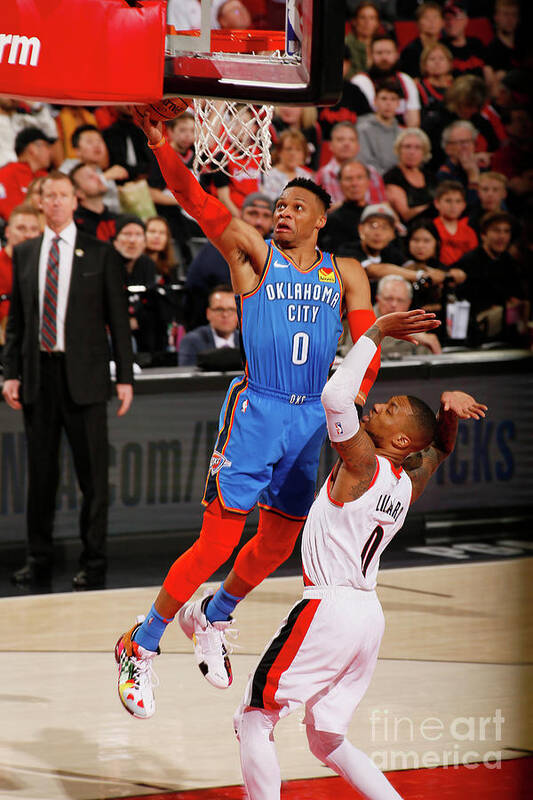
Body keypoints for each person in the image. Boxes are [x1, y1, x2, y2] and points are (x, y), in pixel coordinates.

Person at [115, 107, 382, 718]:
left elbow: (365, 350)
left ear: (321, 218)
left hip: (312, 416)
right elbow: (190, 196)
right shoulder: (252, 254)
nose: (281, 212)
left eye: (294, 207)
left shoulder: (347, 273)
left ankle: (213, 614)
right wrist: (158, 141)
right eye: (279, 206)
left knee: (279, 542)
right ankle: (141, 641)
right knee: (218, 540)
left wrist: (351, 413)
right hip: (257, 406)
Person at [234, 309, 486, 800]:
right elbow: (438, 451)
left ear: (398, 441)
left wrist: (375, 332)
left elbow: (334, 395)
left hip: (328, 607)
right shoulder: (406, 482)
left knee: (254, 715)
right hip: (368, 616)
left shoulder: (366, 463)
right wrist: (449, 415)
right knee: (327, 738)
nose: (375, 409)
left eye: (388, 409)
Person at [2, 171, 133, 589]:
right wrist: (10, 374)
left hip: (87, 378)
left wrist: (125, 377)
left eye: (62, 195)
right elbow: (17, 324)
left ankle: (94, 561)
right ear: (39, 202)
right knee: (40, 475)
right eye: (48, 195)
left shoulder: (101, 253)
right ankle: (37, 558)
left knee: (92, 477)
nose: (55, 202)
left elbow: (118, 323)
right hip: (39, 375)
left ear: (75, 201)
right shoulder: (24, 253)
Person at [185, 192, 274, 330]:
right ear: (240, 215)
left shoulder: (279, 251)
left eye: (266, 216)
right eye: (253, 214)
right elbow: (194, 290)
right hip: (215, 328)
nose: (259, 222)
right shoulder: (219, 246)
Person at [456, 211, 525, 341]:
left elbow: (517, 293)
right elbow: (465, 298)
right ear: (483, 235)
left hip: (506, 315)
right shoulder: (470, 260)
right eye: (497, 231)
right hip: (475, 320)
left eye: (506, 231)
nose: (502, 236)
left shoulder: (508, 260)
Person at [350, 34, 421, 128]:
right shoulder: (360, 81)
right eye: (379, 53)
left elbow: (413, 122)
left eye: (388, 53)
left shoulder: (406, 80)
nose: (384, 58)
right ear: (370, 55)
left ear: (397, 55)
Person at [59, 124, 127, 214]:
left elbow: (114, 208)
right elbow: (64, 194)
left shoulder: (101, 171)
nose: (96, 145)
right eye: (89, 142)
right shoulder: (68, 167)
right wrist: (104, 178)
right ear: (77, 151)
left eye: (99, 141)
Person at [316, 122, 386, 209]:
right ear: (330, 145)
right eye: (340, 139)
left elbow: (382, 206)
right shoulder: (322, 175)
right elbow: (318, 213)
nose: (346, 144)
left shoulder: (372, 172)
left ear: (358, 146)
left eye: (351, 140)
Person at [0, 205, 42, 345]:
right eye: (21, 228)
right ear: (7, 232)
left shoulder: (45, 269)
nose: (28, 235)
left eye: (33, 229)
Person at [375, 275, 442, 356]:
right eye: (388, 299)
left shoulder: (415, 325)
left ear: (408, 303)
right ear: (378, 298)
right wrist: (412, 335)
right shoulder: (363, 319)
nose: (394, 304)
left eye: (400, 300)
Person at [178, 284, 241, 367]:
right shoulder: (192, 341)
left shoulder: (246, 342)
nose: (225, 315)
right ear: (208, 313)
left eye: (231, 309)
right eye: (219, 309)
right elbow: (186, 378)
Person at [0, 128, 53, 224]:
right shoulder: (7, 173)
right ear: (32, 149)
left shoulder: (47, 177)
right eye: (47, 146)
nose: (50, 152)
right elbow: (9, 213)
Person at [383, 128, 436, 223]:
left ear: (424, 152)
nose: (412, 152)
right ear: (399, 150)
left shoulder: (430, 177)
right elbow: (406, 215)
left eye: (417, 147)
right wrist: (435, 206)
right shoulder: (391, 177)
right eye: (407, 147)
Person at [319, 160, 370, 252]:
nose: (354, 184)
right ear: (340, 183)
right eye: (348, 179)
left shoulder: (377, 215)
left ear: (368, 181)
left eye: (359, 178)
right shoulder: (332, 220)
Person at [356, 79, 403, 175]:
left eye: (393, 99)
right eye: (384, 99)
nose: (388, 103)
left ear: (398, 103)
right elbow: (365, 162)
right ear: (375, 101)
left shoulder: (403, 133)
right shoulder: (362, 129)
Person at [441, 0, 490, 82]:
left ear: (466, 20)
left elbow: (489, 74)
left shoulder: (477, 44)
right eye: (447, 19)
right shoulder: (440, 48)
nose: (451, 23)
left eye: (456, 18)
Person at [436, 120, 483, 206]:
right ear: (447, 147)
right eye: (460, 142)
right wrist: (473, 176)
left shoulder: (483, 167)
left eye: (468, 141)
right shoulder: (444, 175)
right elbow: (466, 208)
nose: (465, 146)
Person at [433, 180, 478, 267]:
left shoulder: (469, 231)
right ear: (437, 203)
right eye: (448, 201)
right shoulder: (431, 227)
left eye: (458, 201)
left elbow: (473, 259)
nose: (453, 206)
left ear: (464, 205)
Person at [260, 130, 312, 204]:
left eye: (298, 150)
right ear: (279, 152)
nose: (293, 154)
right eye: (289, 149)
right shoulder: (269, 175)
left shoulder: (306, 176)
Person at [71, 163, 118, 242]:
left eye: (96, 173)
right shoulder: (75, 225)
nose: (98, 177)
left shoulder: (117, 219)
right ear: (79, 192)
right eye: (90, 177)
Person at [399, 1, 445, 79]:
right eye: (426, 18)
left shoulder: (448, 46)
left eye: (435, 17)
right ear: (417, 23)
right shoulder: (410, 52)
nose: (431, 22)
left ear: (442, 22)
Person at [344, 1, 381, 78]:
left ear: (377, 23)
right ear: (354, 21)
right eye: (362, 17)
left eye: (372, 18)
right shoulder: (345, 44)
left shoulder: (381, 43)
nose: (367, 22)